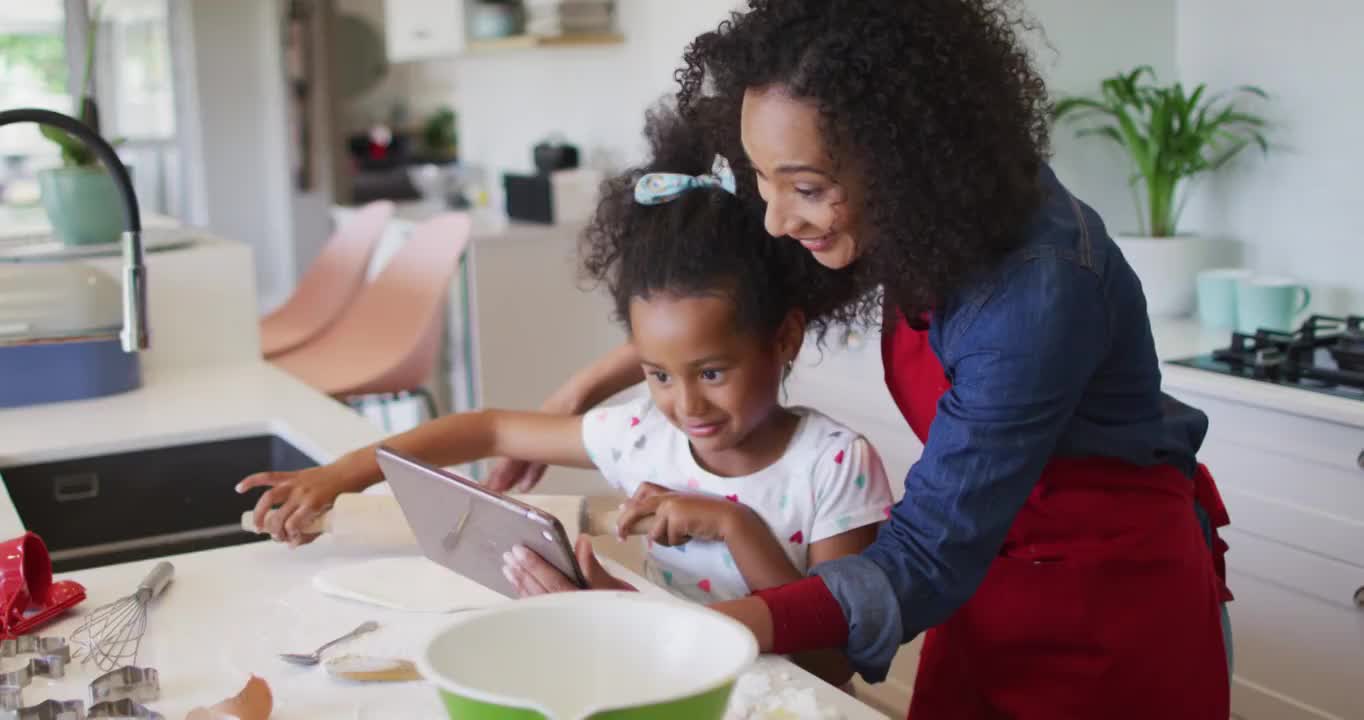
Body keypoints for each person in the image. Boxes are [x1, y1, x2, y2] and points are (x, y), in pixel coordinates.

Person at [494, 1, 1235, 718]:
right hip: (985, 578)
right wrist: (582, 390)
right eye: (762, 177)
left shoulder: (1036, 291)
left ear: (904, 161)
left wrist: (680, 630)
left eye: (806, 189)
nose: (778, 220)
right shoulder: (918, 214)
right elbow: (737, 318)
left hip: (1103, 609)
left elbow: (922, 558)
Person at [236, 107, 894, 686]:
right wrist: (339, 477)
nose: (688, 406)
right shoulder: (645, 435)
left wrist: (735, 526)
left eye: (713, 372)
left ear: (783, 338)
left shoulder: (834, 466)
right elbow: (489, 429)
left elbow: (831, 665)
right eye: (659, 374)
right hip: (666, 686)